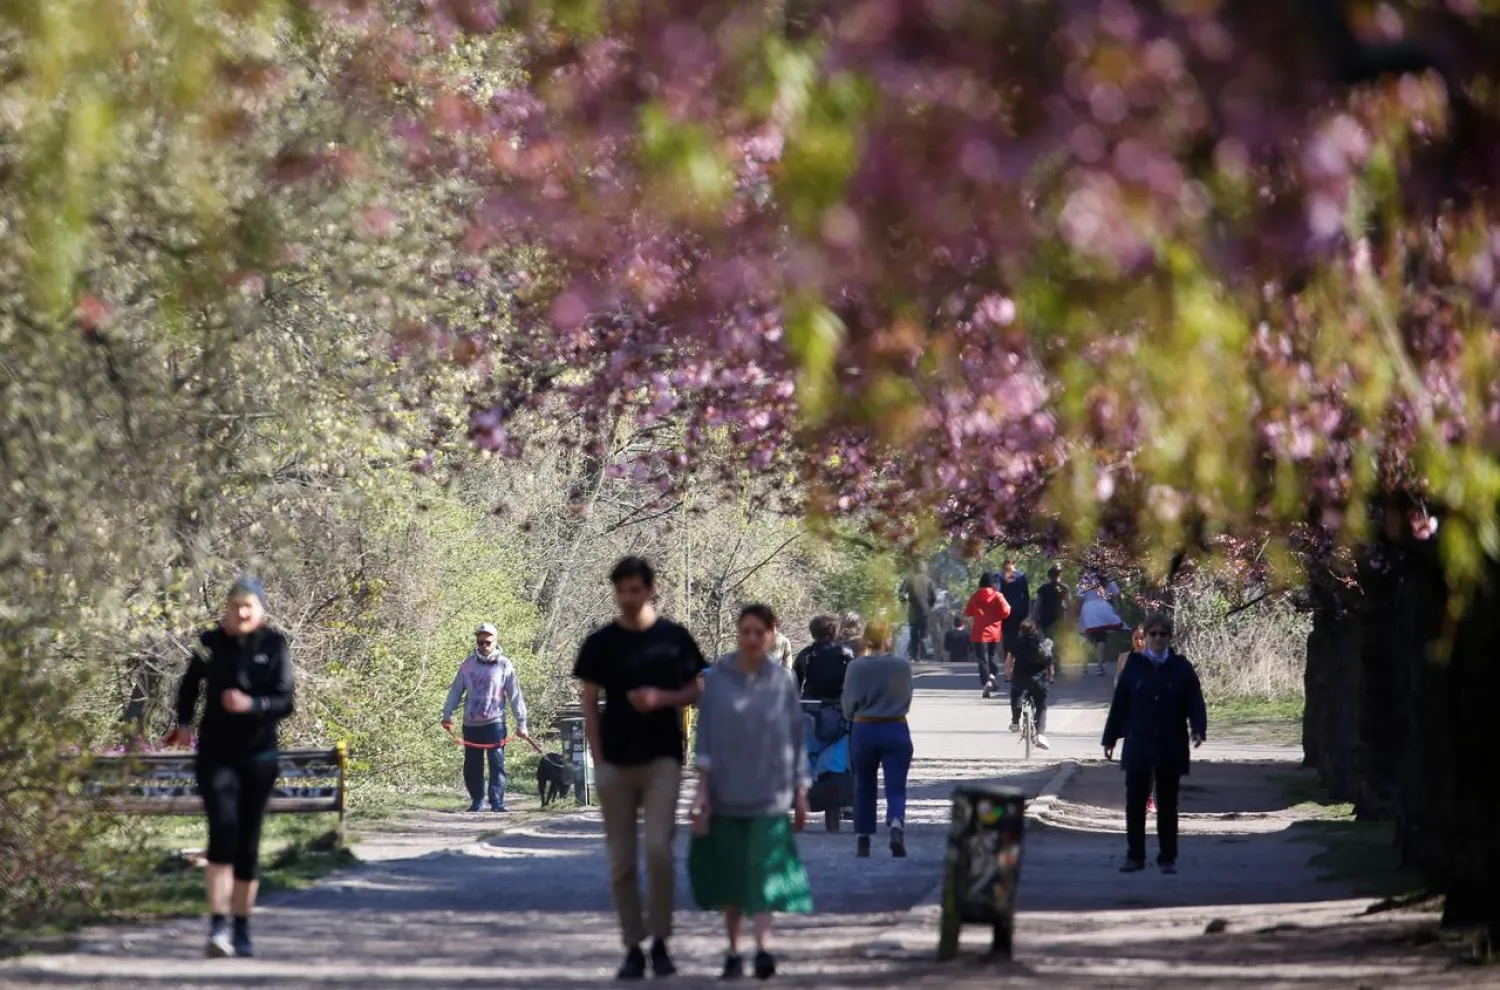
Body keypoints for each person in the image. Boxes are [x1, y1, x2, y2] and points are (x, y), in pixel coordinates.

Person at [573, 556, 709, 979]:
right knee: (622, 861)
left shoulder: (674, 638)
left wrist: (663, 700)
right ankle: (633, 946)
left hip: (662, 760)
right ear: (616, 593)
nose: (629, 598)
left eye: (636, 589)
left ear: (650, 589)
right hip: (615, 763)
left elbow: (698, 687)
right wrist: (597, 760)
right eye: (622, 591)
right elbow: (588, 701)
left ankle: (662, 942)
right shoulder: (600, 643)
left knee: (658, 851)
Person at [164, 577, 293, 960]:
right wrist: (184, 724)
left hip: (258, 756)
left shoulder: (274, 644)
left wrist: (251, 706)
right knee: (222, 833)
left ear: (261, 610)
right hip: (216, 754)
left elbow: (285, 700)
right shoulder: (210, 642)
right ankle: (218, 924)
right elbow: (188, 687)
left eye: (248, 606)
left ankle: (242, 925)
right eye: (235, 605)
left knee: (248, 844)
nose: (241, 612)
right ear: (226, 609)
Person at [689, 604, 814, 980]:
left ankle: (763, 948)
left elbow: (795, 739)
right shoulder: (718, 679)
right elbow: (705, 738)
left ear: (772, 635)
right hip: (727, 793)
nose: (752, 639)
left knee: (763, 874)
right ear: (738, 634)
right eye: (745, 631)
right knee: (731, 877)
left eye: (759, 632)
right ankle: (732, 950)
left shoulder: (781, 681)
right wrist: (702, 790)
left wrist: (801, 791)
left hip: (770, 794)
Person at [1102, 613, 1207, 875]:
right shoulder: (1134, 666)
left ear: (1169, 637)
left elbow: (1195, 700)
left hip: (1171, 743)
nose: (1158, 638)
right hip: (1139, 742)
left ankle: (1167, 857)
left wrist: (1198, 729)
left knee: (1168, 804)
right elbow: (1120, 705)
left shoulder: (1181, 666)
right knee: (1135, 803)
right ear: (1144, 637)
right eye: (1153, 634)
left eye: (1163, 634)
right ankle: (1134, 856)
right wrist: (1110, 737)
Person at [841, 619, 914, 859]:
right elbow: (907, 699)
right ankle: (895, 822)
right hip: (895, 727)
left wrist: (854, 714)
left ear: (866, 639)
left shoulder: (856, 666)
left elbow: (848, 703)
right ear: (888, 638)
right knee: (896, 785)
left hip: (865, 728)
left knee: (864, 785)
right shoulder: (902, 666)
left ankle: (863, 837)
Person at [441, 622, 531, 813]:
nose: (483, 646)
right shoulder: (467, 665)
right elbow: (456, 690)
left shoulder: (504, 665)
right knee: (472, 765)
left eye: (487, 642)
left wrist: (522, 722)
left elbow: (515, 695)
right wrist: (447, 713)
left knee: (497, 763)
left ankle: (497, 802)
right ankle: (477, 800)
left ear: (496, 641)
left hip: (495, 722)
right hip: (471, 723)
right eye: (480, 642)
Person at [1004, 619, 1054, 750]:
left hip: (1020, 678)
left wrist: (1008, 674)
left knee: (1016, 694)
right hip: (1039, 680)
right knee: (1041, 707)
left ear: (1021, 630)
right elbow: (1049, 662)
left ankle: (1015, 722)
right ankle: (1040, 735)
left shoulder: (1017, 643)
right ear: (1035, 630)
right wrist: (1051, 676)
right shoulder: (1042, 643)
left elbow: (1009, 661)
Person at [964, 573, 1011, 697]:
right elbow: (1006, 612)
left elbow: (967, 612)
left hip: (978, 632)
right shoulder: (997, 596)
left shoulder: (974, 597)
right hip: (994, 632)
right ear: (993, 584)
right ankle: (992, 676)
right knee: (992, 656)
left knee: (981, 659)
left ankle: (986, 682)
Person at [793, 614, 854, 702]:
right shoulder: (846, 653)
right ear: (835, 631)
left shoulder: (806, 653)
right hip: (838, 705)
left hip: (810, 704)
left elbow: (795, 684)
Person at [1078, 569, 1126, 677]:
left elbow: (1079, 598)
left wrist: (1077, 613)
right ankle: (1099, 667)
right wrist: (1120, 609)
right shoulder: (1106, 578)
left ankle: (1084, 666)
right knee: (1101, 638)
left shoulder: (1086, 579)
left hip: (1088, 610)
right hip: (1103, 609)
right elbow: (1117, 594)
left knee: (1087, 638)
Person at [899, 562, 938, 661]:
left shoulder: (909, 580)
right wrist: (929, 606)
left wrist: (904, 602)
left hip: (913, 611)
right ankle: (922, 655)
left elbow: (901, 594)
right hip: (925, 612)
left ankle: (915, 656)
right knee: (924, 634)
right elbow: (934, 597)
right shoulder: (929, 581)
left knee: (914, 633)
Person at [998, 559, 1030, 670]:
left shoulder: (999, 576)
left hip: (1005, 611)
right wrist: (1026, 610)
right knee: (1017, 637)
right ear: (1014, 565)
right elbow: (1026, 595)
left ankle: (1009, 664)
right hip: (1018, 610)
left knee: (1007, 638)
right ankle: (1015, 662)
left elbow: (997, 593)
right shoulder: (1021, 576)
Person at [1034, 565, 1069, 641]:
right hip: (1059, 618)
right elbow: (1068, 604)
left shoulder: (1043, 588)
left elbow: (1037, 604)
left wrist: (1035, 617)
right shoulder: (1064, 588)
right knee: (1059, 641)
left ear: (1049, 576)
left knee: (1048, 641)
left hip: (1046, 618)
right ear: (1059, 575)